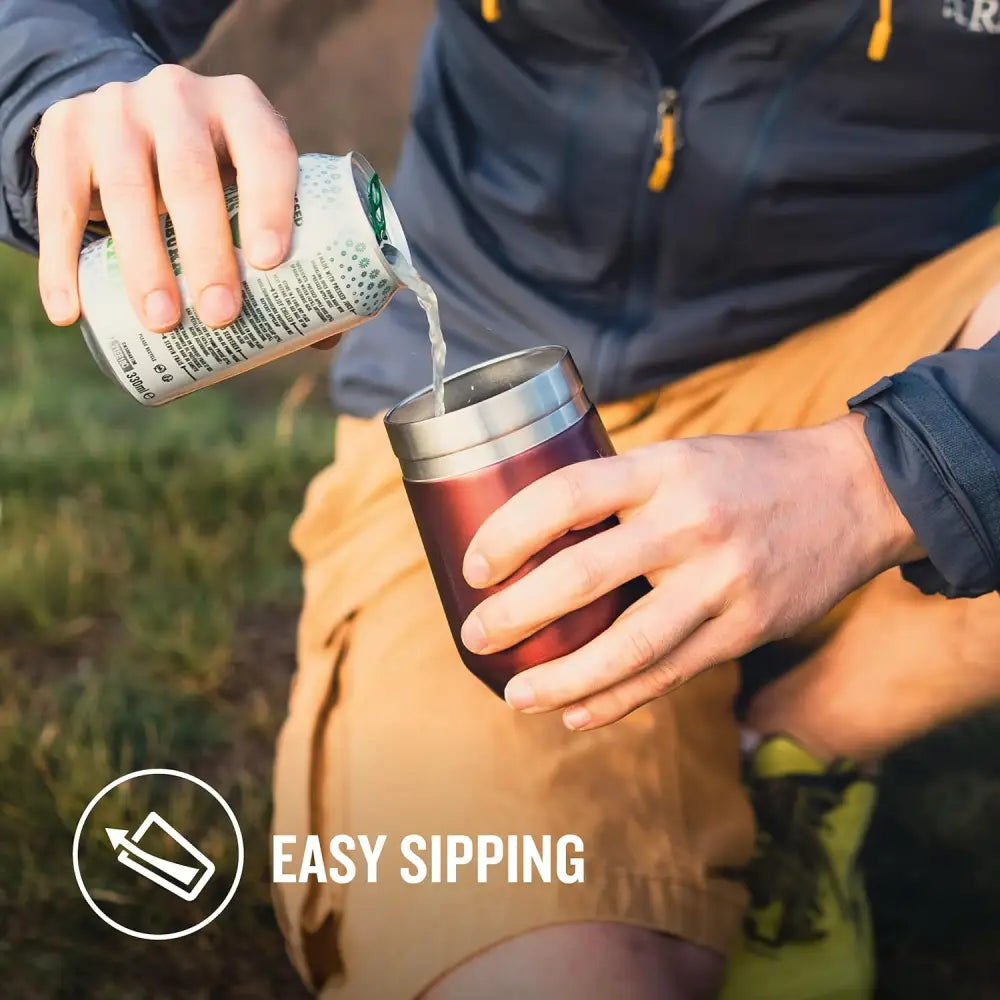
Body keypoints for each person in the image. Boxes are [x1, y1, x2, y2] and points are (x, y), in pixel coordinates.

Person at [2, 1, 999, 997]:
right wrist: (62, 91)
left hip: (885, 353)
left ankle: (800, 741)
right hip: (483, 401)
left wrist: (884, 473)